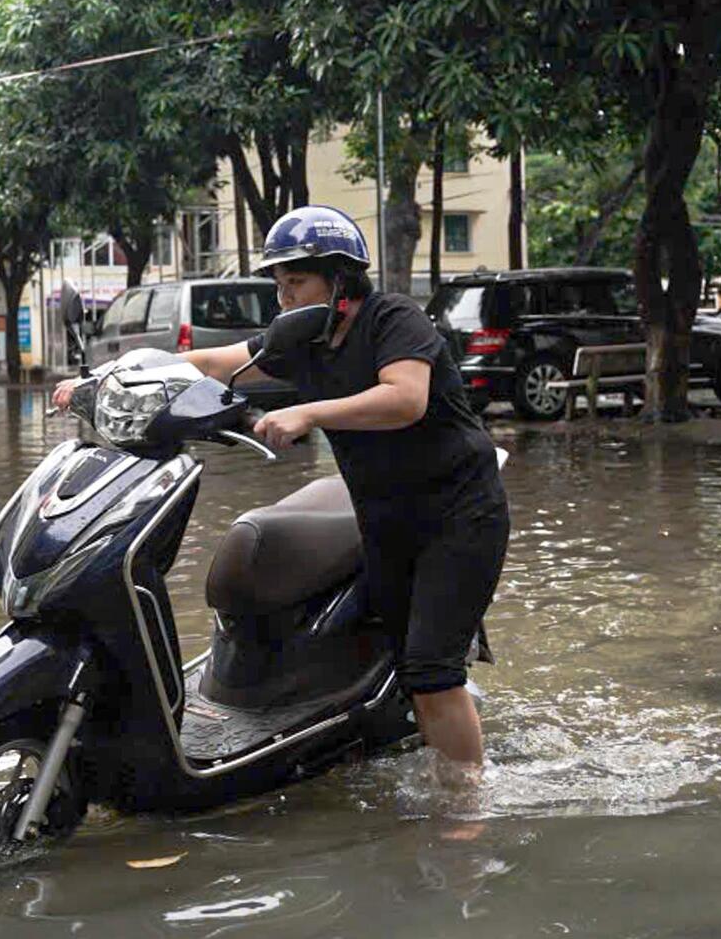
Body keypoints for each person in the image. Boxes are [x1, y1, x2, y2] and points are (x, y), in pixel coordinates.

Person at [52, 206, 510, 783]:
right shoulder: (302, 338)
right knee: (404, 656)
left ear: (339, 280)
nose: (284, 297)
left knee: (431, 670)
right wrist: (106, 376)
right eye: (279, 284)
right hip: (383, 517)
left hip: (457, 512)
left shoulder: (393, 319)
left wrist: (305, 413)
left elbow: (405, 398)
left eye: (296, 283)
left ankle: (466, 808)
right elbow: (218, 363)